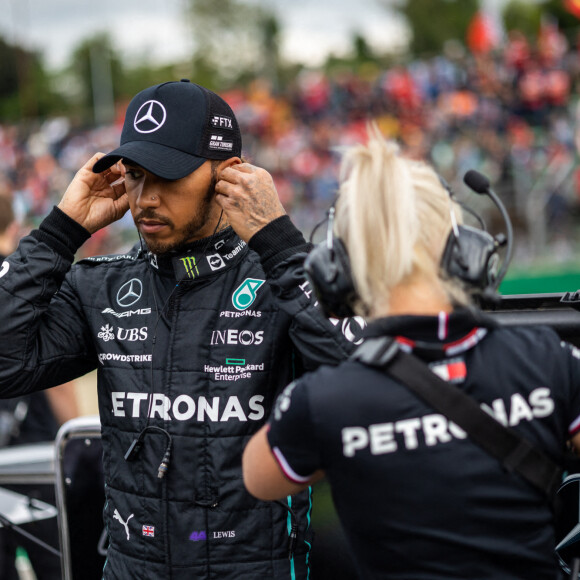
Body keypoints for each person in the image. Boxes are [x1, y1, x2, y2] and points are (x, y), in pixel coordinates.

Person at [0, 79, 357, 578]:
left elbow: (370, 375)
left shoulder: (285, 277)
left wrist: (279, 241)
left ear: (228, 175)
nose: (145, 199)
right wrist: (62, 231)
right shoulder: (100, 287)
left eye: (168, 177)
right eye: (136, 176)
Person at [242, 128, 580, 579]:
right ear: (466, 252)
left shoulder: (324, 401)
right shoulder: (546, 356)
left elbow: (258, 478)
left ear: (336, 272)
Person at [0, 194, 79, 579]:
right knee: (60, 566)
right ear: (13, 225)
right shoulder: (25, 280)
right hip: (35, 466)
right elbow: (61, 392)